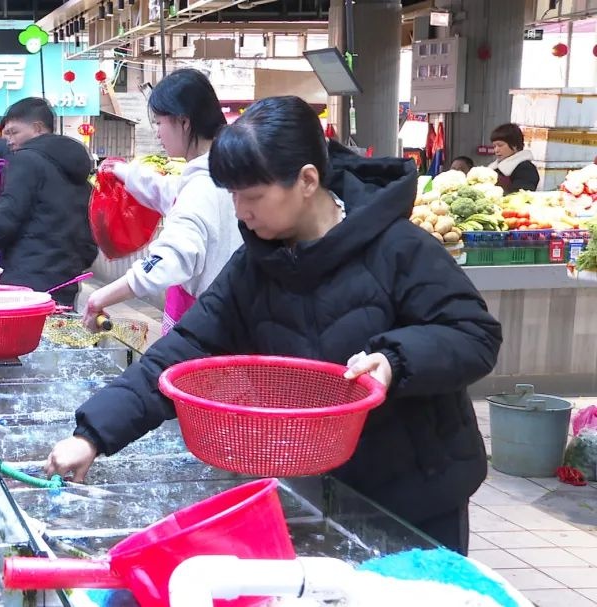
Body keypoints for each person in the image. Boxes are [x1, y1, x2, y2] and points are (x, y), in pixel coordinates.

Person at [44, 96, 502, 555]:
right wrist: (93, 435)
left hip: (417, 492)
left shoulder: (400, 248)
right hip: (313, 486)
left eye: (253, 195)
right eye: (234, 195)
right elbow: (184, 350)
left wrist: (394, 359)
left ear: (306, 180)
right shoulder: (256, 264)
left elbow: (473, 334)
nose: (241, 210)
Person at [81, 69, 243, 335]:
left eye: (158, 123)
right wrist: (122, 171)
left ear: (184, 121)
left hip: (206, 325)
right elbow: (169, 193)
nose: (157, 133)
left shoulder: (205, 183)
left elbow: (170, 258)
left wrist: (102, 296)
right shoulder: (221, 169)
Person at [0, 98, 98, 307]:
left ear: (37, 128)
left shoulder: (26, 160)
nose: (8, 140)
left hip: (28, 279)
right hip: (66, 279)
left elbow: (6, 221)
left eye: (13, 132)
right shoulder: (74, 166)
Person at [489, 123, 539, 194]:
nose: (496, 150)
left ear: (514, 145)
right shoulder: (494, 167)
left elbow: (521, 195)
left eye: (500, 145)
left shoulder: (525, 168)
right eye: (494, 146)